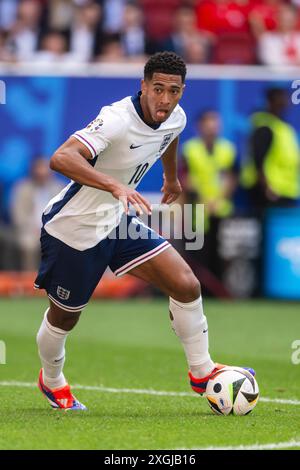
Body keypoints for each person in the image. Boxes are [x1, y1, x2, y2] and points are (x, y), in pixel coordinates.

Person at [34, 51, 254, 410]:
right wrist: (115, 186)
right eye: (158, 89)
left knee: (185, 284)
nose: (165, 100)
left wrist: (171, 177)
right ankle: (52, 378)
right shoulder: (115, 119)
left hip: (117, 222)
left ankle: (201, 371)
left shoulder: (177, 117)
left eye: (174, 91)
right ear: (143, 86)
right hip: (73, 229)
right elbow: (61, 158)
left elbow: (169, 135)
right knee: (64, 319)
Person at [181, 110, 238, 282]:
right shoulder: (190, 149)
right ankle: (197, 289)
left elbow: (231, 177)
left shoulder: (227, 149)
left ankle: (219, 289)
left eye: (215, 122)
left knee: (220, 252)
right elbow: (185, 178)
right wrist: (202, 201)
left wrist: (218, 200)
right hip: (196, 209)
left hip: (221, 209)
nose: (212, 127)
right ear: (199, 126)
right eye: (208, 123)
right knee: (197, 253)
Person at [241, 87, 300, 212]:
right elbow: (258, 158)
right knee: (269, 229)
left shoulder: (283, 127)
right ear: (270, 102)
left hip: (285, 190)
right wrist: (266, 186)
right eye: (279, 100)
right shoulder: (265, 127)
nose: (283, 104)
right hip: (269, 192)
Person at [11, 157, 63, 271]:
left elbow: (64, 214)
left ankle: (53, 281)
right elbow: (18, 215)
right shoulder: (23, 188)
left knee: (61, 246)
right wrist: (33, 228)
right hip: (30, 230)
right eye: (39, 168)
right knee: (29, 245)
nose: (42, 172)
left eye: (45, 168)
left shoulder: (58, 188)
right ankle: (30, 281)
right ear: (33, 170)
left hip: (54, 230)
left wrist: (50, 229)